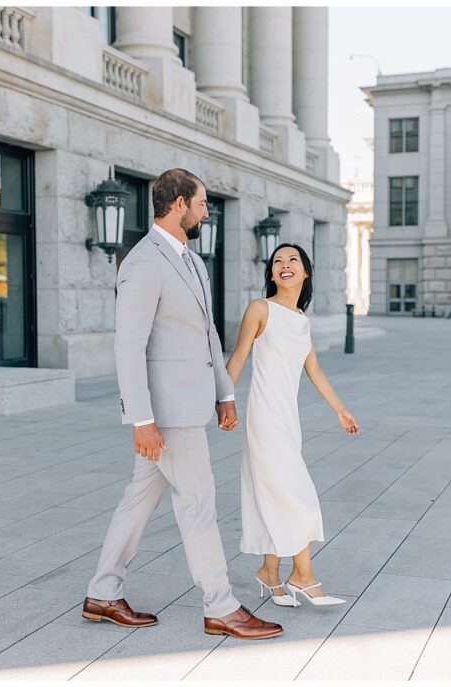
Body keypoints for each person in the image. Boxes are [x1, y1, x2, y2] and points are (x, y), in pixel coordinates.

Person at [83, 169, 282, 640]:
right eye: (202, 202)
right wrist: (142, 420)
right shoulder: (142, 262)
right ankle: (221, 606)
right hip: (166, 415)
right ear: (177, 204)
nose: (206, 210)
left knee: (139, 499)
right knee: (198, 504)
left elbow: (207, 333)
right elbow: (128, 346)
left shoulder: (193, 262)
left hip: (191, 404)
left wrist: (224, 392)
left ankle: (103, 594)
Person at [226, 243, 359, 608]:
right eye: (278, 261)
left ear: (305, 273)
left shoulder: (302, 322)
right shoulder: (260, 309)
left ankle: (269, 573)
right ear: (271, 274)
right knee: (296, 492)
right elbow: (238, 355)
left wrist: (340, 409)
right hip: (264, 418)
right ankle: (303, 577)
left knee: (276, 492)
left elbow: (313, 369)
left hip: (288, 419)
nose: (284, 265)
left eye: (293, 260)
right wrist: (224, 400)